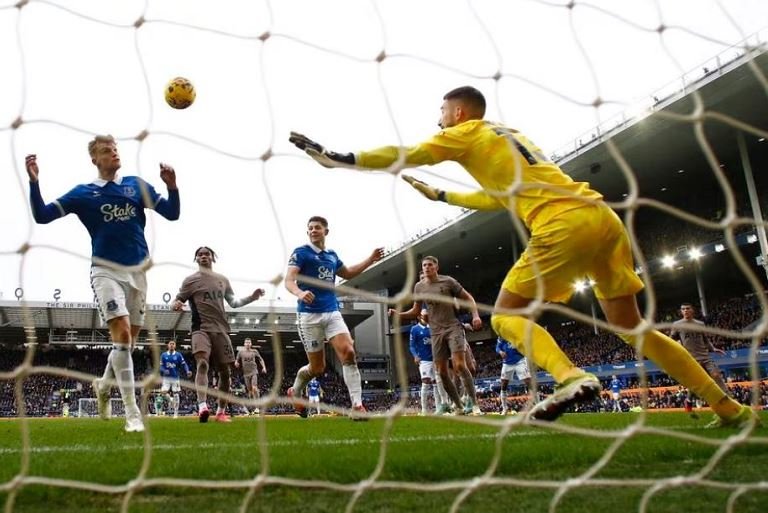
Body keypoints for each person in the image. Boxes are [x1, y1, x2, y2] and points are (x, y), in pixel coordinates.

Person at [289, 86, 757, 428]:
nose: (439, 121)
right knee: (633, 327)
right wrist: (442, 196)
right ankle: (727, 406)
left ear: (458, 111)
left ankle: (571, 376)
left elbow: (410, 152)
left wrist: (340, 158)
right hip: (600, 217)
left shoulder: (466, 131)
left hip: (561, 224)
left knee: (504, 317)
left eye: (442, 113)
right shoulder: (511, 135)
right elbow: (497, 198)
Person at [26, 135, 180, 433]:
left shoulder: (136, 185)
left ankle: (104, 384)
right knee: (121, 333)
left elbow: (172, 214)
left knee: (127, 344)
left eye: (115, 149)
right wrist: (34, 182)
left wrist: (172, 187)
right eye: (107, 150)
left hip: (138, 273)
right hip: (105, 271)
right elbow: (42, 216)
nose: (114, 153)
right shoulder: (83, 193)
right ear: (94, 159)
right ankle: (132, 414)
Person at [284, 216, 384, 420]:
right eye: (310, 228)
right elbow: (289, 280)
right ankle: (295, 390)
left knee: (349, 352)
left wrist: (370, 259)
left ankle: (357, 406)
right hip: (308, 315)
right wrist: (299, 293)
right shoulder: (301, 253)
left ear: (326, 231)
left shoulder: (332, 255)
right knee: (317, 368)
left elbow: (348, 273)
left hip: (331, 311)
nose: (313, 230)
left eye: (317, 228)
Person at [173, 247, 265, 423]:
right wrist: (175, 305)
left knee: (225, 372)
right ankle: (202, 406)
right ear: (196, 259)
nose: (203, 256)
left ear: (212, 258)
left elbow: (234, 302)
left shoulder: (222, 280)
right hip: (200, 329)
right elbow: (178, 300)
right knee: (202, 363)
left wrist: (252, 298)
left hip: (221, 330)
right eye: (200, 254)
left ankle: (221, 412)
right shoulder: (190, 281)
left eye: (206, 254)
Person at [389, 256, 482, 415]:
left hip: (453, 327)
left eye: (430, 265)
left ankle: (474, 404)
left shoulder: (448, 281)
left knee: (460, 366)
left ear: (436, 267)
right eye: (424, 265)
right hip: (436, 332)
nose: (426, 267)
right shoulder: (419, 287)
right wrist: (399, 314)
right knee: (442, 372)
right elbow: (416, 311)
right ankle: (457, 405)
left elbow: (468, 298)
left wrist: (475, 316)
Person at [670, 302, 728, 419]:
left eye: (687, 308)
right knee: (697, 383)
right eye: (683, 309)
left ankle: (727, 398)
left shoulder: (700, 324)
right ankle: (688, 401)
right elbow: (671, 339)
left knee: (716, 375)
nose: (685, 310)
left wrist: (713, 348)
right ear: (681, 312)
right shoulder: (677, 324)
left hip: (705, 356)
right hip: (691, 359)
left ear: (692, 310)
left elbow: (705, 339)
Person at [409, 309, 448, 415]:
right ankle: (424, 410)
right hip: (424, 360)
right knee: (425, 382)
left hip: (435, 359)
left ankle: (439, 408)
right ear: (419, 317)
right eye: (424, 315)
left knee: (436, 383)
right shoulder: (415, 329)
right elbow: (411, 346)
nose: (427, 317)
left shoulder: (433, 327)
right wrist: (415, 356)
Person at [496, 336, 533, 415]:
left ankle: (538, 405)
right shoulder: (502, 335)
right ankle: (504, 408)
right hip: (507, 363)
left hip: (520, 361)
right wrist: (500, 352)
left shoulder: (517, 333)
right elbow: (497, 347)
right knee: (503, 385)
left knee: (528, 382)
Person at [159, 340, 192, 418]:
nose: (171, 345)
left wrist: (187, 371)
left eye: (173, 344)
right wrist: (164, 370)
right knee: (163, 392)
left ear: (175, 346)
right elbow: (160, 366)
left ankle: (175, 413)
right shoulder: (163, 355)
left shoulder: (178, 355)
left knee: (176, 394)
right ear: (168, 345)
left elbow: (184, 364)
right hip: (166, 378)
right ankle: (171, 400)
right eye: (170, 344)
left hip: (175, 378)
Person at [235, 338, 268, 415]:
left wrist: (264, 367)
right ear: (244, 344)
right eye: (246, 342)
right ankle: (253, 407)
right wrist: (236, 363)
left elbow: (260, 359)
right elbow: (237, 360)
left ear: (251, 344)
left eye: (249, 342)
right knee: (250, 392)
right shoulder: (240, 352)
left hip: (254, 372)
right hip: (246, 374)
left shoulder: (254, 351)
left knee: (254, 388)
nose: (247, 344)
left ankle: (257, 407)